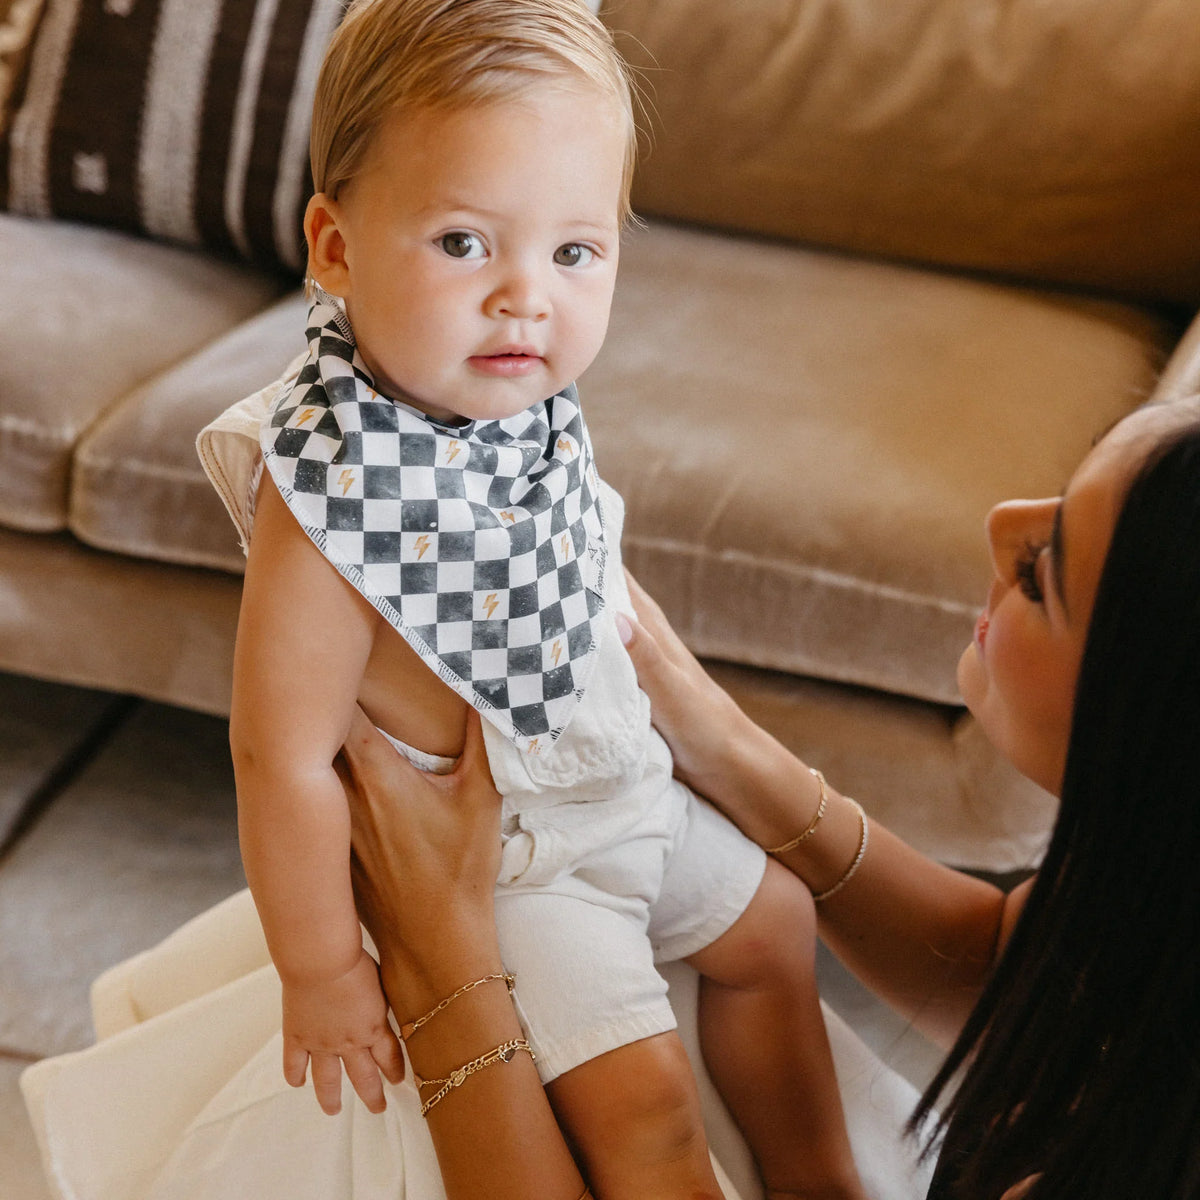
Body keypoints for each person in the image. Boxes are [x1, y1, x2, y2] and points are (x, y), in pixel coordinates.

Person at [206, 1, 864, 1197]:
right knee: (647, 1103)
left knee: (775, 924)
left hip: (617, 780)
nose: (528, 298)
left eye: (576, 252)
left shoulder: (518, 396)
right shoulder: (330, 492)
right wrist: (323, 972)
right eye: (465, 243)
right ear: (336, 246)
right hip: (513, 860)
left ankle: (821, 1177)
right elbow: (279, 753)